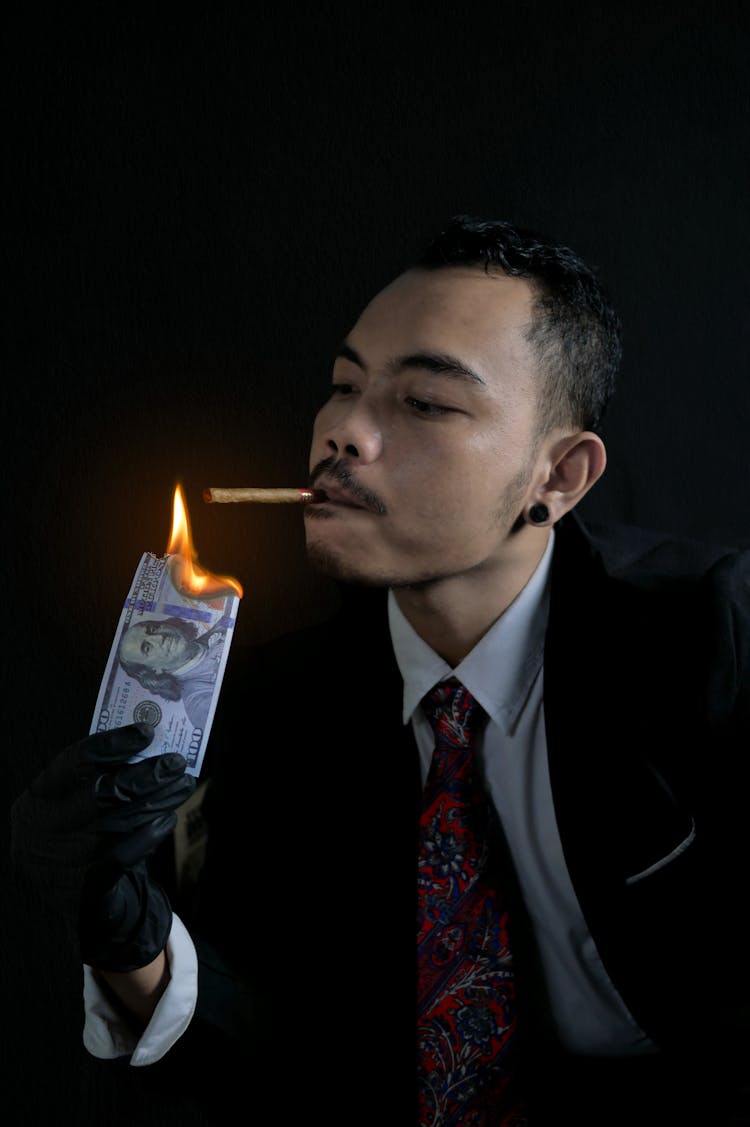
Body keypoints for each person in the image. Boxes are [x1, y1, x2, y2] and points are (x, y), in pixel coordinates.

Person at [10, 215, 750, 1126]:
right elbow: (291, 1058)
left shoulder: (716, 637)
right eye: (342, 385)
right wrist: (136, 949)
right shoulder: (281, 703)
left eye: (425, 402)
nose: (342, 434)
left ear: (556, 478)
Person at [118, 616, 228, 730]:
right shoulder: (198, 702)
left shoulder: (224, 623)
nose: (159, 637)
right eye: (147, 648)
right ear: (154, 670)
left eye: (152, 629)